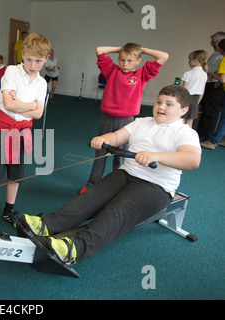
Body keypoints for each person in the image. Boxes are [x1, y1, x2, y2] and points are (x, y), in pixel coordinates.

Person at [19, 85, 201, 266]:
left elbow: (192, 160)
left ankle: (75, 248)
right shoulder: (142, 122)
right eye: (159, 102)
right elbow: (117, 136)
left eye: (169, 104)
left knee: (117, 211)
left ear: (183, 110)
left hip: (156, 186)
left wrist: (156, 156)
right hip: (126, 174)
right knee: (90, 197)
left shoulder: (184, 132)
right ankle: (46, 225)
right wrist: (105, 139)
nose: (161, 107)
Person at [0, 33, 51, 230]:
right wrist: (30, 105)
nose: (33, 65)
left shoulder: (42, 83)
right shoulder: (11, 72)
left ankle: (9, 210)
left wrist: (19, 105)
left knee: (15, 175)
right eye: (29, 59)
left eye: (38, 61)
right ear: (22, 54)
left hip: (23, 131)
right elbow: (7, 104)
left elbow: (39, 113)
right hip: (3, 129)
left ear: (46, 59)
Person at [80, 43, 169, 194]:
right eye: (122, 60)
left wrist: (141, 49)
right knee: (100, 151)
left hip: (127, 121)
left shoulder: (142, 74)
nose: (125, 64)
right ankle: (92, 184)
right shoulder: (111, 70)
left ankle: (117, 186)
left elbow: (164, 56)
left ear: (138, 61)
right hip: (107, 118)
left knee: (121, 155)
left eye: (129, 61)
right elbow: (99, 50)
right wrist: (121, 49)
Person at [196, 31, 225, 141]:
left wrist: (213, 75)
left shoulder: (222, 56)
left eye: (214, 42)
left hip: (216, 85)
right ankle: (200, 133)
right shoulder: (217, 53)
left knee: (211, 111)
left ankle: (206, 136)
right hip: (210, 83)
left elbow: (222, 73)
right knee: (205, 110)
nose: (212, 44)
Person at [180, 50, 208, 128]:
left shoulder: (188, 74)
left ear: (195, 60)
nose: (189, 61)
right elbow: (202, 91)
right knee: (190, 123)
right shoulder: (204, 74)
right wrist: (197, 102)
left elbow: (184, 89)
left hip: (186, 98)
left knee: (182, 121)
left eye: (190, 59)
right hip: (196, 99)